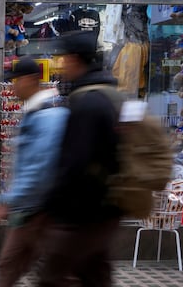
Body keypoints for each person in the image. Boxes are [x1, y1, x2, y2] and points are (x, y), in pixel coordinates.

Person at [37, 30, 122, 287]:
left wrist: (50, 206)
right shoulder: (109, 94)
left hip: (84, 210)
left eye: (62, 59)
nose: (61, 67)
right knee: (95, 275)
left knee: (51, 277)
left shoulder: (88, 103)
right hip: (107, 206)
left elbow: (76, 162)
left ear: (74, 59)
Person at [0, 55, 69, 287]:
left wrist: (9, 199)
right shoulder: (37, 111)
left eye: (15, 80)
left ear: (31, 80)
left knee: (20, 268)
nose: (12, 87)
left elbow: (40, 167)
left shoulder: (48, 115)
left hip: (40, 210)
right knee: (12, 267)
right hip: (32, 209)